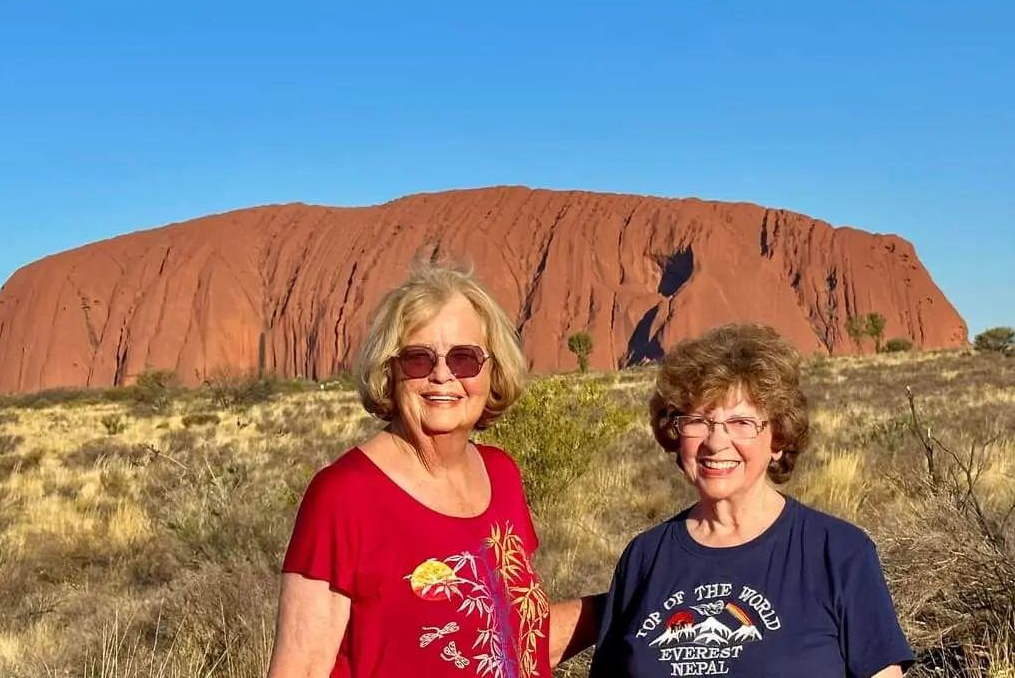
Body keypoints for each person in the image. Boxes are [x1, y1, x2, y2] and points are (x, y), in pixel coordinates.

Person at [268, 264, 598, 678]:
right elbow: (301, 669)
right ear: (390, 370)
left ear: (492, 370)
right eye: (418, 359)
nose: (442, 375)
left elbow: (516, 640)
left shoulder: (501, 475)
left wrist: (625, 602)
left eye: (464, 358)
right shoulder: (344, 495)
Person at [590, 323, 915, 678]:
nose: (716, 442)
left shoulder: (838, 552)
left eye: (741, 422)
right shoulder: (644, 557)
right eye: (698, 420)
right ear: (674, 432)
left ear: (778, 439)